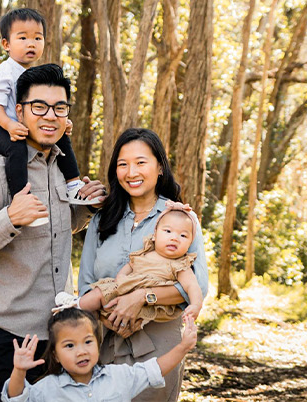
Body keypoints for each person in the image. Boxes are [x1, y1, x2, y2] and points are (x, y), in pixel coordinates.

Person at [0, 63, 106, 402]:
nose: (50, 116)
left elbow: (57, 229)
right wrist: (8, 218)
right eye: (39, 107)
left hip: (61, 331)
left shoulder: (60, 171)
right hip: (8, 337)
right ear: (19, 111)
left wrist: (87, 209)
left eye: (60, 107)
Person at [78, 128, 210, 401]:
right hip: (104, 342)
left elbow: (197, 286)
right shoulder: (102, 220)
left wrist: (141, 298)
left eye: (141, 162)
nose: (131, 172)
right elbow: (85, 283)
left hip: (158, 346)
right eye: (122, 164)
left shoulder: (180, 219)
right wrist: (109, 316)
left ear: (159, 167)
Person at [0, 9, 94, 227]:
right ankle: (22, 198)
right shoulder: (2, 74)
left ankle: (73, 184)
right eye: (22, 38)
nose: (31, 43)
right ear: (6, 44)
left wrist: (61, 120)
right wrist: (9, 125)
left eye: (37, 38)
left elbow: (43, 108)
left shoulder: (33, 75)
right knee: (18, 147)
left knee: (61, 139)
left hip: (18, 125)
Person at [1, 308, 198, 401]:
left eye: (88, 342)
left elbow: (154, 370)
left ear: (98, 343)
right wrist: (19, 370)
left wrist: (183, 347)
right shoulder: (48, 388)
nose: (81, 351)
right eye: (69, 346)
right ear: (56, 354)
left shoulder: (118, 377)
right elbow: (16, 399)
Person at [76, 207, 205, 339]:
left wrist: (196, 305)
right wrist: (120, 278)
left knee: (138, 316)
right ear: (154, 235)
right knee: (100, 293)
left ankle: (78, 310)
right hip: (123, 290)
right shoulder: (146, 253)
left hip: (149, 311)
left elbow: (192, 287)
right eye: (168, 231)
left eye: (183, 236)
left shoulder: (180, 265)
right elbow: (130, 265)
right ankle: (74, 307)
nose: (174, 238)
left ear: (190, 243)